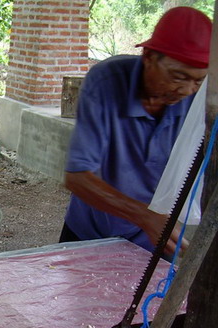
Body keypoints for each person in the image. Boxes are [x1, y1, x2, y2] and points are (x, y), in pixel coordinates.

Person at [61, 7, 212, 255]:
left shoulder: (200, 104)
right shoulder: (106, 81)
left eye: (198, 81)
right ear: (148, 56)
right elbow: (77, 176)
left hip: (152, 238)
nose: (187, 90)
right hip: (90, 231)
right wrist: (144, 216)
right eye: (177, 77)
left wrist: (151, 221)